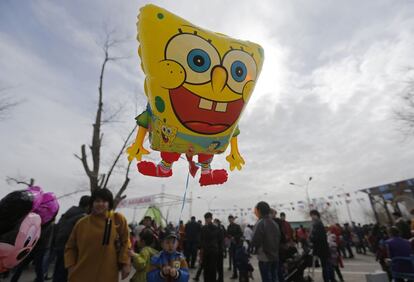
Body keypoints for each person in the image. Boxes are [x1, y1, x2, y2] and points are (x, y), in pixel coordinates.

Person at [64, 188, 131, 282]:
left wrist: (126, 263)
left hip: (108, 274)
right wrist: (70, 267)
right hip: (81, 274)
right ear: (92, 203)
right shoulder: (81, 223)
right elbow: (70, 247)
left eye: (104, 201)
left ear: (109, 204)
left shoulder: (117, 219)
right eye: (97, 201)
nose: (100, 204)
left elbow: (126, 242)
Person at [52, 195, 90, 282]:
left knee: (59, 271)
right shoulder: (83, 217)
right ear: (88, 206)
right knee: (65, 273)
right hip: (69, 247)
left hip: (59, 244)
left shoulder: (70, 212)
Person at [251, 201, 281, 282]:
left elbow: (255, 240)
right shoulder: (274, 223)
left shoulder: (260, 223)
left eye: (256, 210)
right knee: (274, 278)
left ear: (259, 211)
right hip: (275, 256)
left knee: (267, 279)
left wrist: (252, 250)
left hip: (265, 257)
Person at [309, 209, 334, 282]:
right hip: (324, 247)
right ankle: (332, 279)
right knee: (328, 265)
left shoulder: (316, 224)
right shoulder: (320, 223)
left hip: (320, 248)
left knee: (325, 266)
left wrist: (311, 237)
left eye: (312, 215)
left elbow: (316, 237)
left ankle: (327, 279)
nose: (311, 217)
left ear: (315, 215)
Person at [200, 212, 223, 282]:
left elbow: (220, 240)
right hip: (208, 252)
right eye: (206, 219)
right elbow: (201, 240)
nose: (207, 220)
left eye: (208, 218)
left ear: (211, 218)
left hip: (213, 252)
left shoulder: (215, 228)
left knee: (212, 270)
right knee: (207, 269)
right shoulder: (204, 228)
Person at [228, 215, 243, 279]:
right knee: (233, 260)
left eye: (231, 219)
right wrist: (230, 237)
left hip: (237, 244)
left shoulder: (237, 226)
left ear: (233, 219)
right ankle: (235, 274)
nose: (230, 220)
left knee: (238, 260)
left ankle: (241, 274)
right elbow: (227, 233)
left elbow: (240, 234)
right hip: (231, 245)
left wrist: (235, 237)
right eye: (229, 219)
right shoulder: (228, 227)